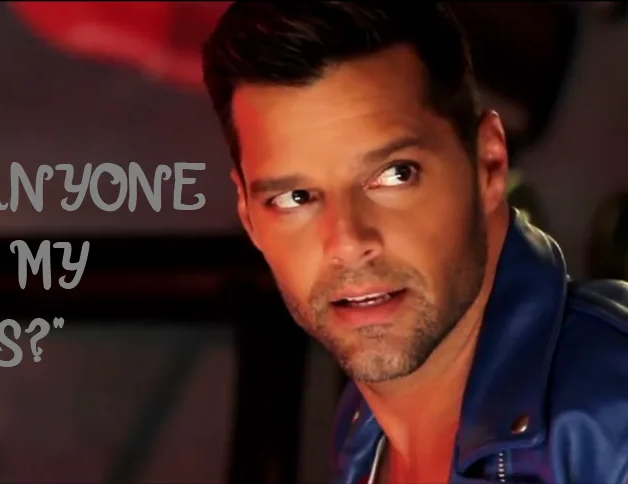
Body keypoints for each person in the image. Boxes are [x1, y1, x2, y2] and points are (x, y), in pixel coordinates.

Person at [201, 3, 628, 483]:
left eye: (395, 174)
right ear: (249, 216)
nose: (348, 242)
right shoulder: (365, 429)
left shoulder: (613, 420)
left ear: (488, 163)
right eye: (295, 198)